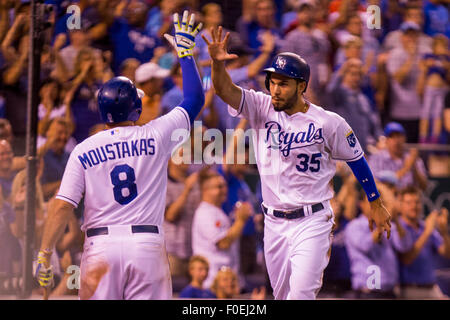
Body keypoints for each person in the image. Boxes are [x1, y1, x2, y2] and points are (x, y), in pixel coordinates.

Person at [202, 27, 391, 299]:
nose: (275, 90)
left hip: (312, 220)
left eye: (283, 83)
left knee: (300, 294)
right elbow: (222, 89)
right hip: (274, 223)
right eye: (273, 82)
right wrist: (217, 64)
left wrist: (375, 200)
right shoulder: (260, 106)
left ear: (301, 86)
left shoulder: (328, 122)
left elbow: (356, 158)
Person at [34, 10, 205, 300]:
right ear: (135, 108)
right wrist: (186, 54)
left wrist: (44, 253)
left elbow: (62, 205)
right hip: (146, 246)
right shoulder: (156, 134)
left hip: (101, 247)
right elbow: (194, 99)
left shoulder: (83, 148)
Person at [191, 169, 252, 289]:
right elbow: (223, 243)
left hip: (225, 281)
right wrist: (240, 221)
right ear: (205, 190)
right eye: (219, 187)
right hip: (212, 283)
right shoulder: (204, 213)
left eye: (224, 186)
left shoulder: (218, 211)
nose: (224, 190)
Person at [345, 190, 412, 299]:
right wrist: (380, 225)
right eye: (371, 202)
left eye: (379, 203)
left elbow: (404, 246)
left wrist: (396, 221)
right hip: (368, 292)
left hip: (390, 291)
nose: (376, 207)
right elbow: (365, 245)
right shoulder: (354, 226)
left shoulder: (390, 225)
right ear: (361, 204)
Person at [396, 186, 450, 299]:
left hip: (432, 288)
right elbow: (407, 259)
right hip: (409, 289)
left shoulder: (425, 226)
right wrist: (426, 233)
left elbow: (446, 253)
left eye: (417, 202)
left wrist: (444, 232)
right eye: (409, 202)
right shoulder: (398, 228)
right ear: (400, 206)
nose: (414, 206)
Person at [368, 122, 428, 191]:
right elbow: (376, 183)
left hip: (408, 200)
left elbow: (424, 187)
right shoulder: (377, 158)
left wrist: (414, 167)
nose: (396, 140)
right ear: (386, 140)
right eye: (392, 136)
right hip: (386, 199)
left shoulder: (413, 158)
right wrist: (406, 168)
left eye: (399, 136)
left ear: (404, 138)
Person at [417, 34, 449, 143]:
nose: (442, 49)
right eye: (440, 46)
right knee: (425, 112)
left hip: (441, 90)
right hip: (430, 88)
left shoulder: (446, 59)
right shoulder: (429, 56)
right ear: (434, 47)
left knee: (437, 114)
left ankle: (435, 138)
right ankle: (423, 137)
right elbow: (421, 65)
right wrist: (427, 64)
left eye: (445, 46)